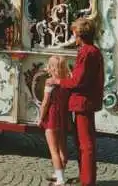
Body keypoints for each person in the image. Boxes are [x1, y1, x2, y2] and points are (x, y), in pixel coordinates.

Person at [46, 18, 104, 186]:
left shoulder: (87, 52)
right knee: (82, 142)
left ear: (80, 35)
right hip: (84, 100)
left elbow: (78, 81)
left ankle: (87, 181)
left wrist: (58, 81)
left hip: (83, 101)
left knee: (85, 145)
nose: (74, 37)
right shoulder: (92, 51)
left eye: (75, 34)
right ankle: (85, 176)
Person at [40, 55, 71, 186]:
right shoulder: (68, 81)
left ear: (51, 67)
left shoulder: (49, 82)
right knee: (63, 148)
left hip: (52, 116)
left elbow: (45, 103)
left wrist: (41, 118)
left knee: (53, 150)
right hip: (64, 116)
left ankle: (60, 179)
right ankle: (59, 173)